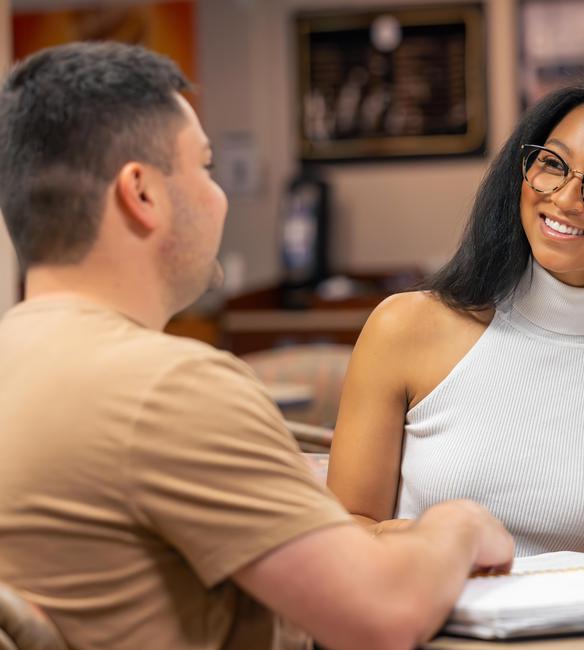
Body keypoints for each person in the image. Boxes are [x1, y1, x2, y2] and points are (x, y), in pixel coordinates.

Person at [0, 42, 513, 650]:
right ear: (141, 193)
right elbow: (383, 615)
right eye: (206, 166)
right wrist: (459, 524)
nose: (217, 196)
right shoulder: (172, 387)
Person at [328, 77, 584, 555]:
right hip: (416, 621)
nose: (567, 198)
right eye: (553, 164)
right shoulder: (404, 327)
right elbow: (345, 532)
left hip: (576, 630)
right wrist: (437, 544)